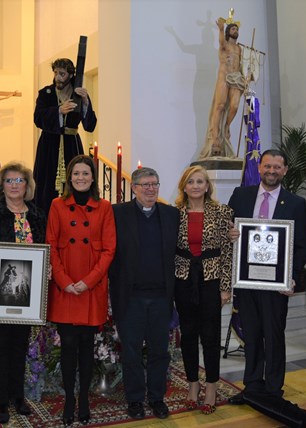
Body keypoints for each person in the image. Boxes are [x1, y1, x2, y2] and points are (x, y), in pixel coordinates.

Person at [227, 149, 306, 404]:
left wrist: (291, 277)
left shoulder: (295, 202)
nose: (271, 171)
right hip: (247, 281)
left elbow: (302, 245)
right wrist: (230, 235)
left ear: (284, 171)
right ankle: (251, 387)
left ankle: (273, 390)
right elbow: (227, 228)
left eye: (277, 167)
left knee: (273, 336)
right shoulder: (241, 195)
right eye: (267, 166)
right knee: (251, 335)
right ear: (259, 168)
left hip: (276, 285)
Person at [0, 162, 47, 424]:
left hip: (28, 297)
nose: (15, 185)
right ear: (1, 187)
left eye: (20, 180)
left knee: (20, 346)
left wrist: (47, 270)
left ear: (28, 186)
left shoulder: (37, 215)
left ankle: (18, 396)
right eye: (9, 181)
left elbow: (46, 251)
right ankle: (1, 400)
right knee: (1, 348)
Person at [46, 155, 116, 426]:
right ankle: (69, 401)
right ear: (70, 177)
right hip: (66, 289)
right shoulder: (57, 205)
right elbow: (51, 244)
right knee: (68, 348)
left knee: (87, 347)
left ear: (92, 177)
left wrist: (89, 281)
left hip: (91, 288)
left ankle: (84, 399)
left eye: (86, 173)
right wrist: (64, 281)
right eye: (76, 173)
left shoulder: (104, 207)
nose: (81, 178)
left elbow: (109, 249)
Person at [109, 167, 179, 420]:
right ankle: (135, 399)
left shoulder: (172, 215)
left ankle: (157, 397)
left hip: (161, 297)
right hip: (130, 297)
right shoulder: (117, 213)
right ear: (134, 188)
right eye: (145, 185)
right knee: (131, 351)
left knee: (160, 350)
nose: (151, 189)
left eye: (155, 185)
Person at [173, 165, 233, 414]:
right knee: (188, 336)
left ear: (207, 186)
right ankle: (192, 386)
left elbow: (227, 252)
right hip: (183, 279)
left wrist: (225, 287)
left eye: (200, 181)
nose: (196, 186)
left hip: (211, 280)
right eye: (191, 182)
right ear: (184, 187)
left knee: (210, 337)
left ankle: (211, 388)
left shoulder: (222, 212)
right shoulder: (173, 214)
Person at [33, 58, 97, 216]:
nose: (58, 77)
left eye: (62, 74)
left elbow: (90, 125)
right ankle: (45, 218)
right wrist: (58, 111)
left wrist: (85, 102)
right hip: (49, 145)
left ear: (70, 74)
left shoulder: (78, 94)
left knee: (74, 181)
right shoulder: (46, 93)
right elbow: (38, 118)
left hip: (71, 143)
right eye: (55, 73)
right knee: (46, 183)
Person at [200, 13, 245, 159]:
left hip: (236, 79)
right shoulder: (224, 44)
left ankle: (226, 126)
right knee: (219, 106)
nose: (235, 31)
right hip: (224, 78)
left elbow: (243, 65)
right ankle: (215, 138)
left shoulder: (239, 49)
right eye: (232, 29)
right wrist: (220, 29)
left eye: (236, 29)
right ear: (227, 32)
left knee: (234, 106)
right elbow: (220, 42)